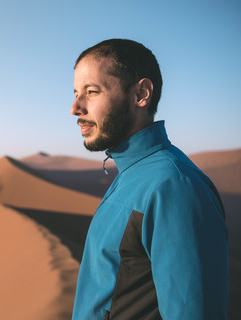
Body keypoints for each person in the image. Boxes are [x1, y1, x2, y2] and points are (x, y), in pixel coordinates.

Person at [70, 39, 229, 319]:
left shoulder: (173, 187)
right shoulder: (133, 173)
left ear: (141, 94)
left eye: (91, 92)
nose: (75, 107)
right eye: (75, 92)